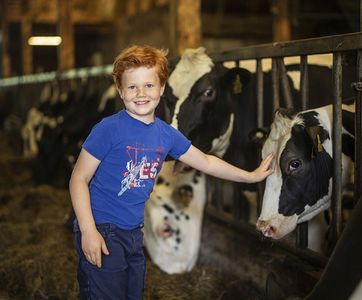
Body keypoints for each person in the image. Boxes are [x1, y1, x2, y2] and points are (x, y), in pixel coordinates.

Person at [69, 44, 274, 300]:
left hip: (133, 232)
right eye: (132, 87)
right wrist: (88, 231)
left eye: (149, 85)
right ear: (120, 91)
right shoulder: (108, 129)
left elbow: (207, 163)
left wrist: (250, 175)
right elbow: (79, 178)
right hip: (102, 228)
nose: (141, 93)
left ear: (163, 89)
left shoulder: (166, 134)